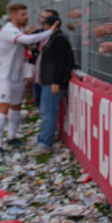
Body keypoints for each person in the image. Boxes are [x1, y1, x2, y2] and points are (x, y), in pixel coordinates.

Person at [0, 3, 55, 156]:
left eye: (26, 14)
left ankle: (12, 137)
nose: (26, 17)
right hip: (3, 76)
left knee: (16, 107)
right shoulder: (8, 30)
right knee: (2, 108)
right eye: (22, 15)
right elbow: (26, 40)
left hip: (16, 76)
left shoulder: (18, 30)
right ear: (13, 16)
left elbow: (25, 50)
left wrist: (27, 75)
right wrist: (50, 31)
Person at [29, 12, 74, 156]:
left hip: (52, 83)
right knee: (45, 112)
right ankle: (42, 139)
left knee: (49, 113)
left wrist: (56, 81)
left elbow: (61, 63)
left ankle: (45, 144)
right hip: (47, 81)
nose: (42, 27)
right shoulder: (51, 38)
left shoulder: (58, 39)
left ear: (50, 26)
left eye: (44, 25)